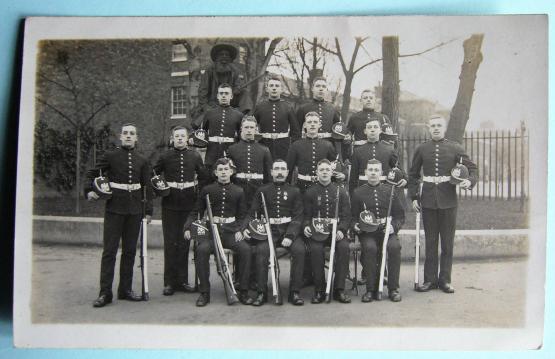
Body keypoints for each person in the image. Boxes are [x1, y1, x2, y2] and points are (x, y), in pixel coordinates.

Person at [85, 123, 153, 308]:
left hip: (135, 211)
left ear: (136, 138)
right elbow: (91, 173)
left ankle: (125, 290)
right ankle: (105, 293)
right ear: (120, 137)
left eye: (132, 133)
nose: (129, 136)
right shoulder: (110, 156)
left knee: (130, 252)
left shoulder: (143, 160)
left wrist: (148, 211)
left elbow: (147, 187)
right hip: (114, 209)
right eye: (125, 133)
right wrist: (89, 191)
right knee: (110, 252)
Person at [408, 115, 477, 294]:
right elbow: (413, 174)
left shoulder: (455, 148)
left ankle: (445, 280)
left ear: (444, 128)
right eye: (433, 126)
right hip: (428, 200)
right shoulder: (422, 149)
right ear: (428, 128)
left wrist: (469, 181)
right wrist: (414, 197)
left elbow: (473, 168)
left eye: (439, 125)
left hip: (448, 201)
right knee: (431, 242)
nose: (436, 128)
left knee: (447, 243)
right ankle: (429, 280)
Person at [184, 157, 254, 306]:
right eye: (220, 170)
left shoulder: (239, 191)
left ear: (231, 172)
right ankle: (204, 293)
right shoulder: (207, 190)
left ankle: (243, 291)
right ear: (215, 173)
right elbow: (196, 211)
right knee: (201, 251)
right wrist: (188, 227)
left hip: (230, 232)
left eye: (226, 169)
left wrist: (241, 229)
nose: (223, 172)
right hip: (211, 233)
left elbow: (243, 215)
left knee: (246, 250)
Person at [243, 159, 306, 306]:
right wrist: (245, 228)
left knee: (300, 250)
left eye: (282, 169)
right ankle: (261, 292)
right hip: (267, 232)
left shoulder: (295, 191)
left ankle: (294, 292)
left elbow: (298, 217)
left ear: (287, 172)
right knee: (261, 251)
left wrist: (290, 236)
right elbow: (252, 213)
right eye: (276, 169)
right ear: (271, 172)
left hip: (288, 231)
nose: (279, 172)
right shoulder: (262, 191)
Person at [153, 126, 206, 296]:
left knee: (184, 242)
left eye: (183, 136)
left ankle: (182, 280)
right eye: (177, 136)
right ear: (173, 138)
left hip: (188, 204)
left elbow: (203, 176)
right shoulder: (165, 156)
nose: (180, 139)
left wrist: (200, 197)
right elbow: (153, 173)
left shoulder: (195, 156)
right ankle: (169, 282)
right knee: (170, 243)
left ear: (187, 138)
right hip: (170, 203)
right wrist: (160, 188)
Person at [351, 159, 405, 302]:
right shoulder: (358, 193)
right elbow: (352, 217)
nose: (373, 173)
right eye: (371, 170)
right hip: (368, 232)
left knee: (394, 247)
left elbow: (400, 215)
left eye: (376, 170)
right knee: (369, 247)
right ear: (366, 173)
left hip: (387, 230)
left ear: (381, 173)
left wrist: (394, 226)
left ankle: (393, 288)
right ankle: (370, 289)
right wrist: (355, 226)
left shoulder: (390, 191)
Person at [303, 159, 352, 304]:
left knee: (343, 247)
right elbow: (306, 215)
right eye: (321, 170)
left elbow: (347, 215)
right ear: (317, 173)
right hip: (317, 232)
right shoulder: (310, 192)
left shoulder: (341, 191)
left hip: (336, 231)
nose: (324, 172)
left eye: (327, 170)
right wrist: (306, 226)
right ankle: (319, 289)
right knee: (316, 249)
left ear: (332, 172)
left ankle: (339, 289)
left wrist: (342, 230)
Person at [286, 112, 340, 193]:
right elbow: (288, 170)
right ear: (304, 125)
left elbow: (333, 170)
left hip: (322, 188)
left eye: (315, 122)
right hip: (301, 188)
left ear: (319, 125)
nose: (312, 125)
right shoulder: (296, 145)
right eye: (309, 122)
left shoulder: (328, 146)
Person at [193, 83, 243, 169]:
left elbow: (240, 137)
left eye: (226, 93)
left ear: (231, 96)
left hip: (230, 152)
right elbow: (202, 134)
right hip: (212, 154)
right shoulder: (209, 114)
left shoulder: (238, 115)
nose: (223, 96)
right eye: (221, 93)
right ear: (217, 96)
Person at [227, 115, 272, 208]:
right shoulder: (232, 149)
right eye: (246, 127)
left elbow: (269, 177)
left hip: (257, 190)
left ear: (256, 129)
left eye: (252, 127)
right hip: (238, 190)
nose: (249, 130)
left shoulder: (264, 150)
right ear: (241, 129)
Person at [349, 118, 406, 191]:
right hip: (363, 191)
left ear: (380, 130)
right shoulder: (357, 151)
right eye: (369, 127)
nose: (372, 130)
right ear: (365, 131)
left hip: (384, 191)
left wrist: (405, 179)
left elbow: (398, 168)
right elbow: (353, 179)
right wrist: (353, 197)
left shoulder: (389, 150)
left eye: (375, 127)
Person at [252, 75, 300, 160]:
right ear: (267, 89)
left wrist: (293, 148)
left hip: (283, 147)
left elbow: (295, 131)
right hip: (264, 145)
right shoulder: (260, 106)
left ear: (281, 89)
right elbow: (252, 126)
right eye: (271, 86)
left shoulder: (288, 107)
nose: (274, 88)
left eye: (277, 86)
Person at [197, 43, 253, 114]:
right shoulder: (209, 71)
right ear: (216, 57)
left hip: (230, 101)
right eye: (221, 54)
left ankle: (242, 115)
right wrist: (205, 107)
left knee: (245, 92)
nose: (224, 57)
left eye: (227, 55)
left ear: (230, 59)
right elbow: (203, 91)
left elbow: (239, 84)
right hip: (214, 103)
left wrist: (237, 88)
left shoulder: (235, 71)